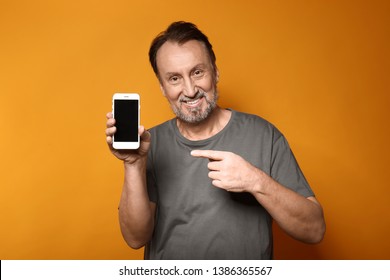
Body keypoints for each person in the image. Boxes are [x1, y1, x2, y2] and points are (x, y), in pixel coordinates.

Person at [105, 21, 325, 260]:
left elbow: (314, 230)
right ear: (162, 87)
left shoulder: (264, 135)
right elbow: (135, 238)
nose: (189, 91)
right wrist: (133, 164)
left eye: (197, 72)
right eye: (174, 78)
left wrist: (255, 181)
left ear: (215, 71)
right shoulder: (148, 144)